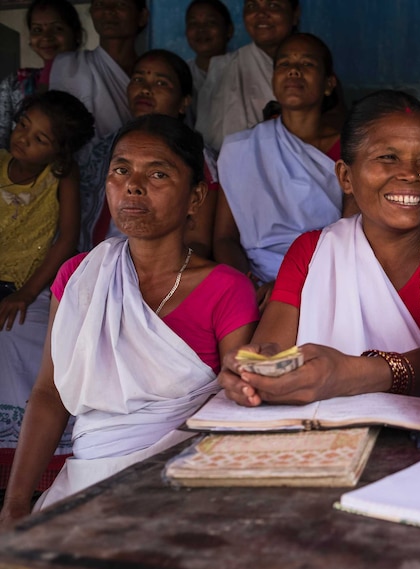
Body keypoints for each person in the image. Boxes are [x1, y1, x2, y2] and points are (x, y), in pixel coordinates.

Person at [0, 115, 258, 523]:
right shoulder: (80, 276)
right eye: (121, 170)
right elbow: (50, 394)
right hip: (86, 483)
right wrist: (16, 502)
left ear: (195, 198)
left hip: (184, 486)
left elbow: (237, 400)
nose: (133, 185)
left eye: (157, 173)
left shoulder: (226, 288)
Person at [218, 90, 420, 407]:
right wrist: (252, 372)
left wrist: (352, 373)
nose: (410, 174)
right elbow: (271, 350)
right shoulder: (312, 251)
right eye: (387, 157)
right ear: (345, 176)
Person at [0, 90, 93, 491]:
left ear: (59, 153)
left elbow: (66, 241)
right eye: (23, 126)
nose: (23, 139)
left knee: (20, 335)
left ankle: (25, 463)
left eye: (40, 138)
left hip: (29, 282)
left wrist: (25, 293)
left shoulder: (61, 175)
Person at [214, 33, 344, 306]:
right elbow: (225, 237)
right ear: (273, 80)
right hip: (255, 284)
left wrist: (289, 285)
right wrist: (247, 284)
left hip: (328, 279)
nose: (294, 70)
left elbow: (353, 236)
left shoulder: (349, 150)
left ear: (329, 83)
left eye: (307, 64)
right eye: (284, 64)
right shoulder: (243, 148)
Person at [79, 49, 219, 257]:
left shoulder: (197, 156)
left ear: (184, 102)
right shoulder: (102, 147)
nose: (145, 89)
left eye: (161, 83)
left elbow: (198, 242)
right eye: (138, 79)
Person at [195, 0, 299, 151]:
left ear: (295, 14)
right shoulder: (223, 67)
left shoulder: (313, 67)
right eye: (252, 6)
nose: (261, 14)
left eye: (272, 5)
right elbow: (209, 139)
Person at [49, 0, 149, 140]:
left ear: (142, 16)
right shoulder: (67, 65)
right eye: (100, 4)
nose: (108, 10)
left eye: (120, 4)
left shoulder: (154, 74)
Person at [0, 0, 82, 150]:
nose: (46, 37)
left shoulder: (91, 79)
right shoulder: (14, 84)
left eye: (57, 28)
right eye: (37, 30)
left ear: (76, 34)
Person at [184, 0, 233, 127]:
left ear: (229, 30)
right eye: (193, 23)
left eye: (211, 22)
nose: (201, 29)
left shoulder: (242, 68)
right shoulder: (181, 72)